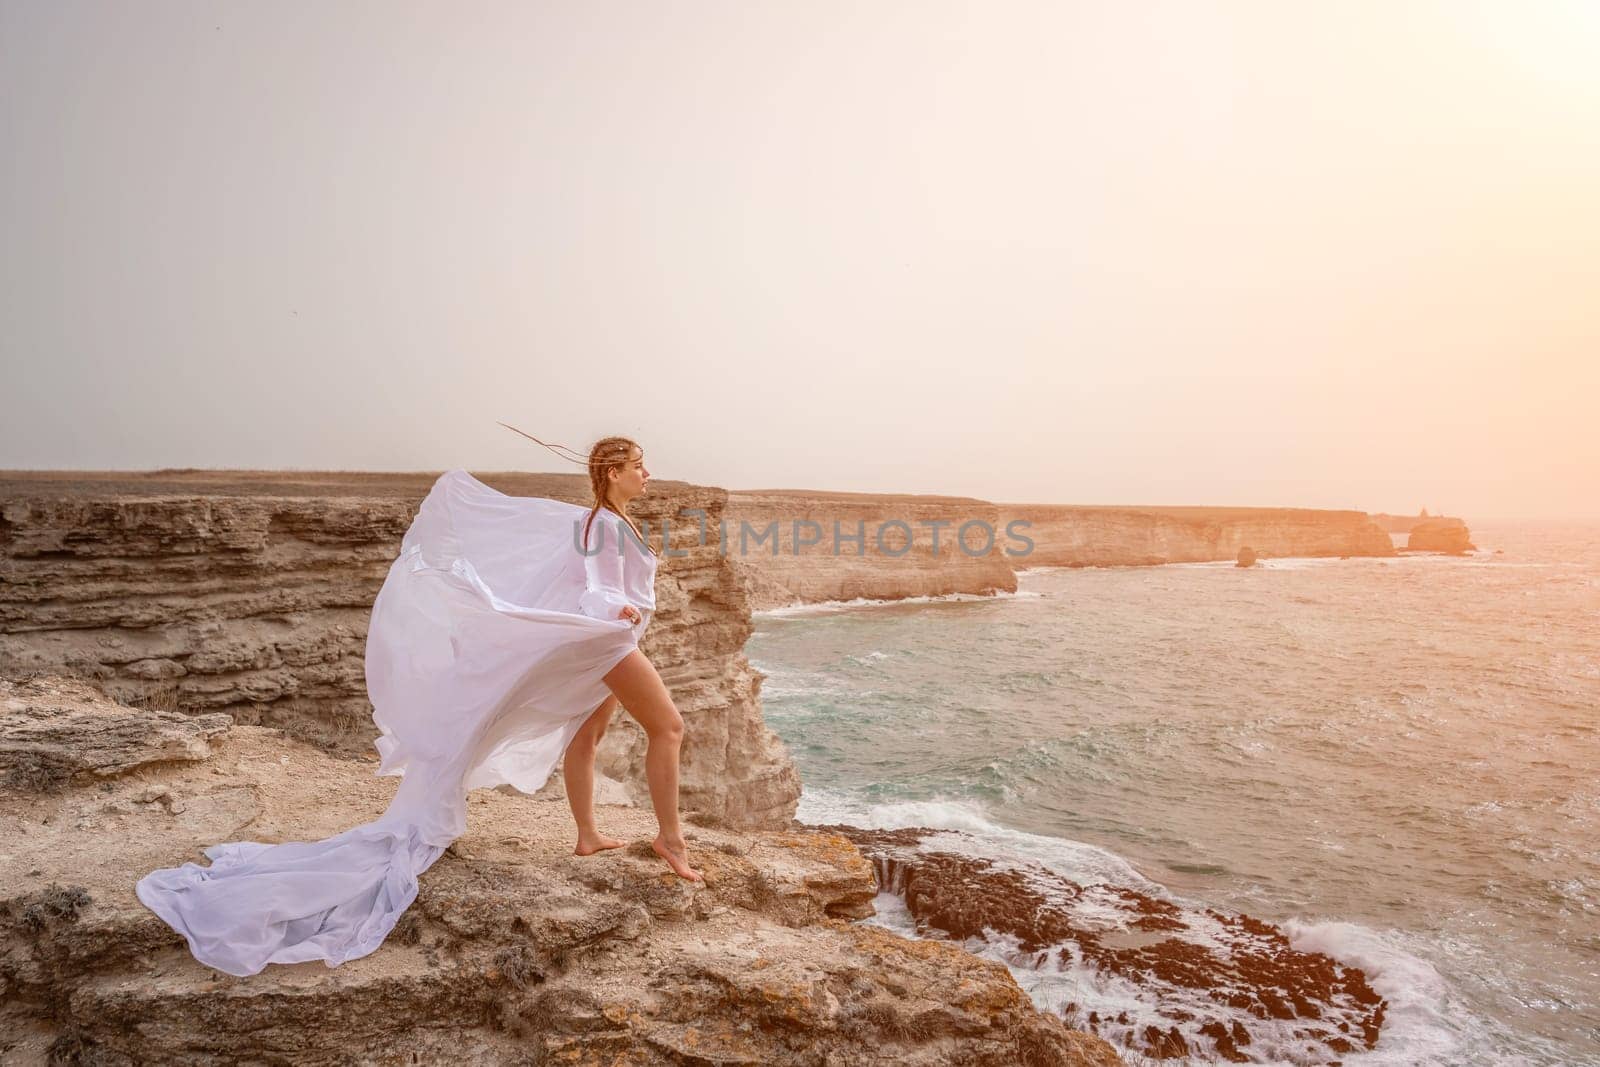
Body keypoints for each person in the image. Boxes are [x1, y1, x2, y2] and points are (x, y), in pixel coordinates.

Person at [134, 434, 699, 979]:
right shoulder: (601, 524)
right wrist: (618, 611)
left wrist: (617, 608)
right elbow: (599, 587)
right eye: (640, 465)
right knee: (668, 728)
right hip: (610, 639)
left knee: (586, 737)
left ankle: (587, 835)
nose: (648, 473)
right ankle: (670, 838)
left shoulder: (606, 521)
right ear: (614, 472)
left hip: (607, 639)